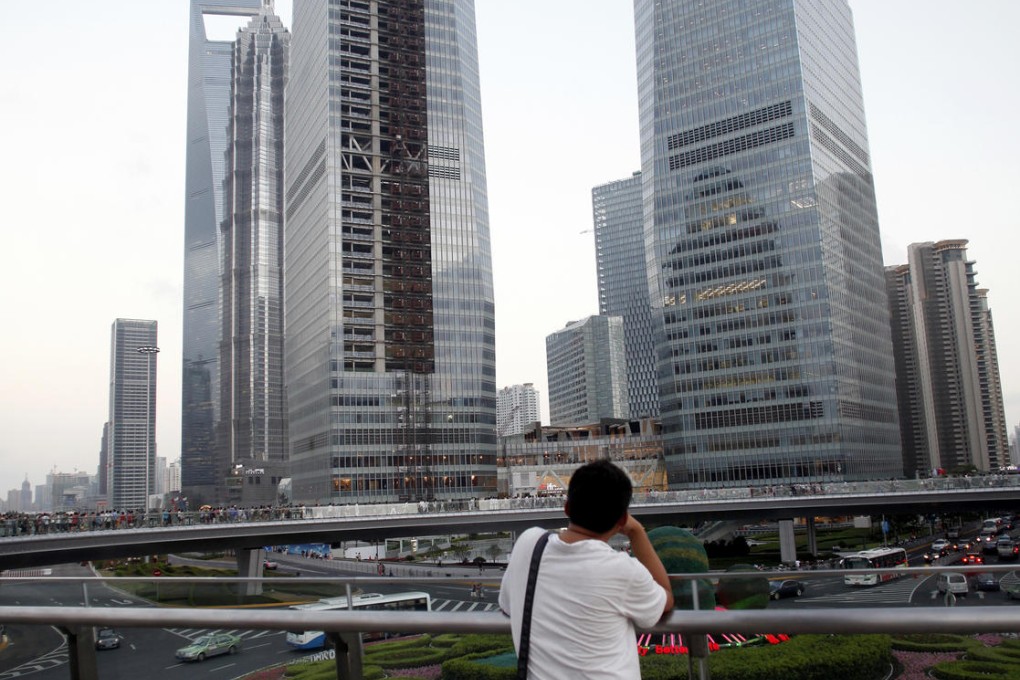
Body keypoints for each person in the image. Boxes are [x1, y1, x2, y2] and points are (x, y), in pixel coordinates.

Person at [499, 460, 673, 679]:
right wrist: (637, 532)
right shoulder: (622, 569)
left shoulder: (528, 544)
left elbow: (507, 606)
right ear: (622, 519)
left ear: (567, 508)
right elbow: (665, 598)